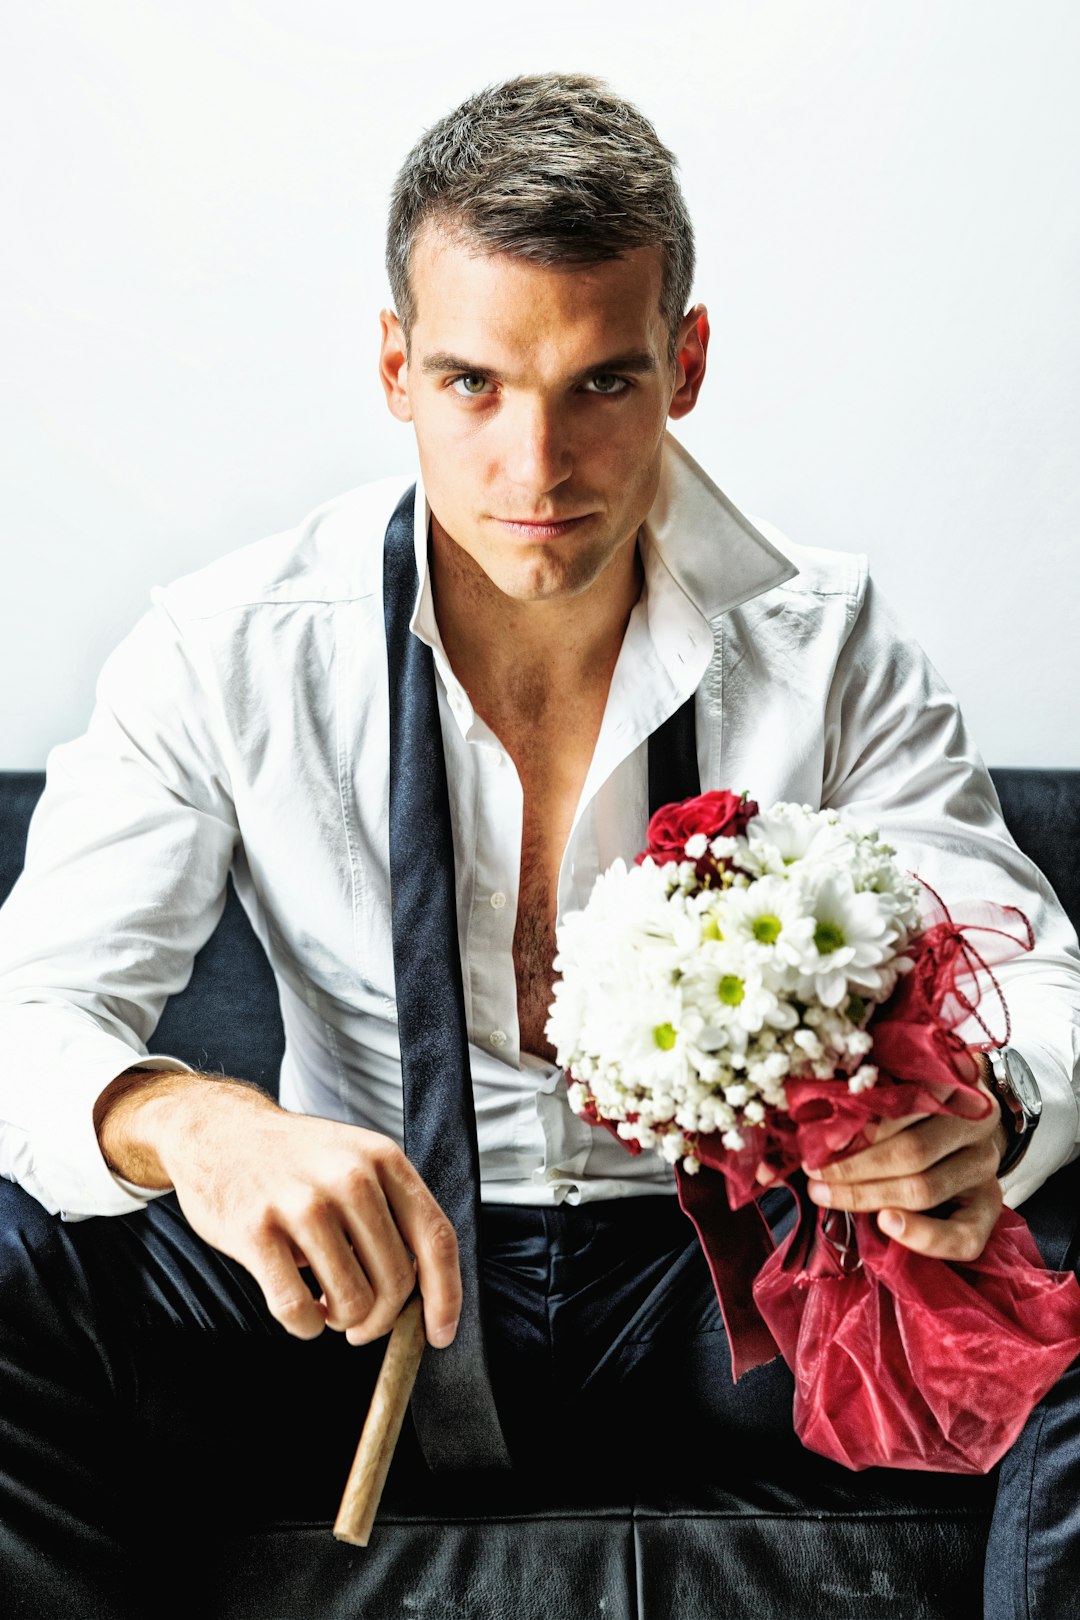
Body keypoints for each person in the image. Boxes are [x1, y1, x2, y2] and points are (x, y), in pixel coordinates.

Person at [0, 71, 1077, 1618]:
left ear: (686, 362)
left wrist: (981, 1107)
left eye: (602, 385)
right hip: (351, 1292)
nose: (537, 466)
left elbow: (1037, 979)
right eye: (476, 385)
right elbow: (27, 1017)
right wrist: (202, 1129)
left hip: (736, 1284)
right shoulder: (230, 648)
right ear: (393, 367)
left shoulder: (826, 646)